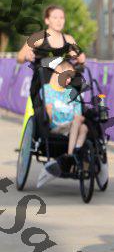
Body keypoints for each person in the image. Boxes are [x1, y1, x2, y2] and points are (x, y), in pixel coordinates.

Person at [16, 5, 86, 139]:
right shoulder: (38, 37)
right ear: (47, 20)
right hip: (43, 82)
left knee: (77, 82)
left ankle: (75, 128)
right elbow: (19, 57)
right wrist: (27, 56)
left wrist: (77, 56)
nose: (59, 21)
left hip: (64, 84)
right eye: (55, 17)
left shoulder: (68, 39)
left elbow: (82, 58)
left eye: (61, 18)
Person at [37, 59, 88, 187]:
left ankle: (72, 154)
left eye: (71, 78)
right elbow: (47, 113)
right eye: (68, 76)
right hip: (56, 127)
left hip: (72, 127)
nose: (69, 80)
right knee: (80, 125)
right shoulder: (46, 90)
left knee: (83, 127)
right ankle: (71, 155)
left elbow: (78, 114)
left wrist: (78, 118)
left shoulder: (72, 93)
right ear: (58, 71)